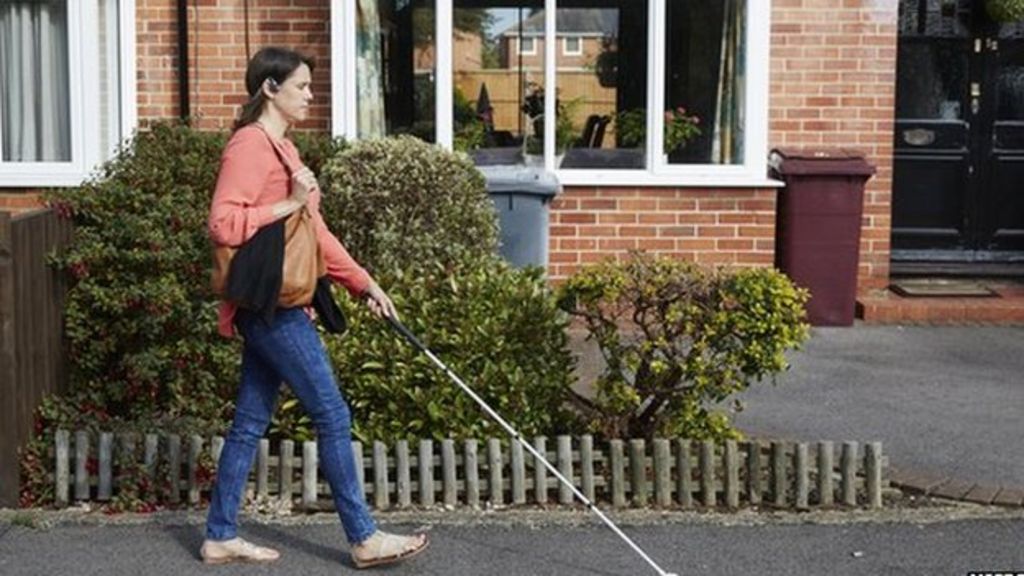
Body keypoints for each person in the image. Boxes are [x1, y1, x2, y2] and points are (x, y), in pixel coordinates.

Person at [202, 46, 429, 569]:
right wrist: (289, 204)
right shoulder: (250, 146)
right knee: (331, 412)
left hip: (281, 304)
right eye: (302, 86)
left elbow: (315, 233)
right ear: (269, 89)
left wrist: (364, 284)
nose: (310, 94)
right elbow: (221, 223)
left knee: (248, 424)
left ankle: (219, 536)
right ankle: (364, 538)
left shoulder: (285, 150)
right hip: (271, 308)